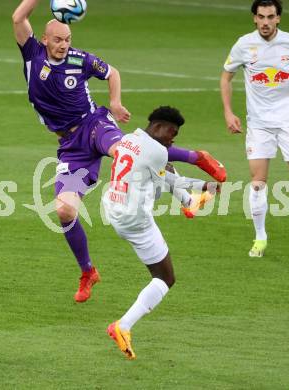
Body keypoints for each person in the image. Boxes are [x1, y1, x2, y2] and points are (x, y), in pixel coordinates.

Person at [12, 0, 226, 303]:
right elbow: (19, 16)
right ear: (44, 39)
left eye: (67, 39)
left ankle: (194, 167)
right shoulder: (32, 55)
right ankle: (88, 272)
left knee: (131, 152)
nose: (63, 45)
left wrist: (114, 102)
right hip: (71, 149)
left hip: (94, 125)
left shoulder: (81, 59)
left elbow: (112, 72)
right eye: (57, 40)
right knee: (64, 210)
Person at [104, 106, 215, 360]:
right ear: (157, 127)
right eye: (172, 132)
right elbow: (175, 170)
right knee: (166, 278)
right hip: (135, 221)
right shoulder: (156, 150)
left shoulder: (128, 138)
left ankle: (190, 203)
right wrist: (207, 178)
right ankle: (123, 326)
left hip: (113, 209)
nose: (172, 139)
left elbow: (166, 168)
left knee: (163, 172)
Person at [220, 0, 289, 257]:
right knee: (258, 181)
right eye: (261, 17)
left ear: (279, 18)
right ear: (254, 18)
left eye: (271, 17)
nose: (265, 22)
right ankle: (260, 238)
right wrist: (228, 112)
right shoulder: (244, 44)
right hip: (259, 124)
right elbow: (226, 76)